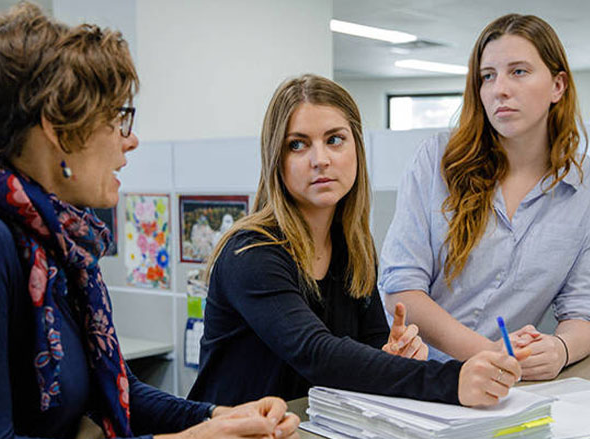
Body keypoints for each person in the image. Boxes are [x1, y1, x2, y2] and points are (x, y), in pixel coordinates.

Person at [0, 4, 299, 439]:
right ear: (56, 126)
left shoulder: (49, 242)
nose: (129, 140)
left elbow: (107, 390)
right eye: (115, 118)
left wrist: (221, 419)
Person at [189, 74, 527, 409]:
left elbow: (369, 344)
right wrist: (452, 380)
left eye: (334, 140)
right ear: (276, 160)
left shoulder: (352, 249)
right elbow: (318, 355)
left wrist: (391, 355)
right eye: (298, 144)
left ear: (357, 149)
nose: (320, 159)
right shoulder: (251, 252)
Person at [379, 14, 590, 381]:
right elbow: (403, 289)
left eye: (519, 72)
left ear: (558, 85)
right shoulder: (437, 161)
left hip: (514, 386)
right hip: (425, 378)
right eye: (488, 76)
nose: (500, 89)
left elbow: (584, 311)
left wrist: (559, 350)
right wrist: (488, 354)